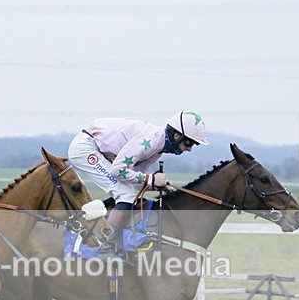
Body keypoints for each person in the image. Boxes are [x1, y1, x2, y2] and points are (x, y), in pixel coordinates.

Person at [67, 110, 209, 256]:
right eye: (188, 142)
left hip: (97, 147)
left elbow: (133, 181)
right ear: (176, 135)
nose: (189, 149)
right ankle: (106, 248)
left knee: (130, 192)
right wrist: (151, 180)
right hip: (86, 148)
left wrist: (157, 185)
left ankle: (90, 225)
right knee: (125, 193)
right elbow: (117, 171)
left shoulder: (157, 148)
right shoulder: (151, 141)